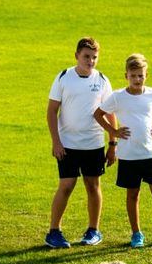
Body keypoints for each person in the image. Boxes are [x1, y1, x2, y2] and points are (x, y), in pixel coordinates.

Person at [93, 54, 152, 248]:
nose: (137, 80)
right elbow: (98, 114)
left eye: (141, 76)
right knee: (133, 194)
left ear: (147, 75)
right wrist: (114, 132)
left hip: (150, 153)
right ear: (126, 75)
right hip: (128, 156)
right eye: (133, 75)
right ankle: (136, 234)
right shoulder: (118, 97)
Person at [45, 37, 118, 248]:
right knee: (66, 185)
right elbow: (52, 110)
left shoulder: (102, 80)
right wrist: (56, 142)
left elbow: (110, 112)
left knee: (93, 185)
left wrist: (112, 144)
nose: (91, 61)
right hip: (67, 143)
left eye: (94, 57)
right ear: (76, 55)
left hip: (93, 143)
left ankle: (93, 230)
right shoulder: (63, 78)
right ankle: (54, 232)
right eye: (87, 56)